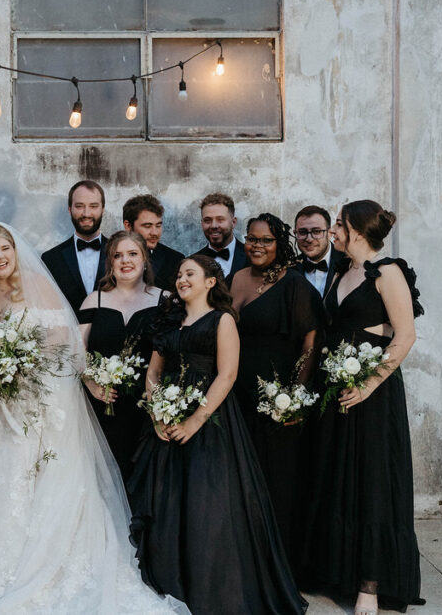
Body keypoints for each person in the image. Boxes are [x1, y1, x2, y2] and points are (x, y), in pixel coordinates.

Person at [0, 223, 188, 614]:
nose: (0, 255)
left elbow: (66, 339)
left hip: (31, 397)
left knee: (27, 476)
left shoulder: (37, 282)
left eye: (5, 248)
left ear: (14, 251)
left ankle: (26, 564)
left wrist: (21, 363)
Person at [127, 255, 306, 615]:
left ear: (211, 281)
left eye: (190, 274)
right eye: (178, 274)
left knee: (207, 505)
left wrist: (195, 420)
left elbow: (227, 374)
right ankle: (169, 581)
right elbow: (154, 371)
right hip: (166, 420)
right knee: (166, 503)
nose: (181, 279)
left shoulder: (222, 320)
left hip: (210, 422)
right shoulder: (169, 319)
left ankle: (210, 587)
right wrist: (157, 411)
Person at [299, 201, 425, 615]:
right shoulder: (341, 270)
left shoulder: (387, 272)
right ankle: (338, 573)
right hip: (336, 388)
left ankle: (370, 584)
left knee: (370, 481)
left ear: (355, 230)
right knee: (338, 477)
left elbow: (404, 336)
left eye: (338, 223)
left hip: (372, 394)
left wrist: (369, 384)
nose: (332, 230)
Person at [228, 213, 324, 561]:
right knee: (241, 481)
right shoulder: (236, 277)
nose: (256, 246)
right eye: (251, 239)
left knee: (278, 482)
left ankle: (280, 562)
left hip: (276, 398)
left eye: (265, 240)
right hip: (237, 395)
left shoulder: (293, 283)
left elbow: (311, 341)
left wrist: (294, 397)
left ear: (279, 244)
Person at [78, 230, 164, 480]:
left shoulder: (165, 300)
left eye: (132, 254)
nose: (125, 261)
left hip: (147, 409)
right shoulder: (94, 300)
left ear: (145, 259)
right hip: (104, 405)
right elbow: (77, 351)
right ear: (110, 262)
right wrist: (92, 384)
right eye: (118, 255)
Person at [42, 179, 107, 312]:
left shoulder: (120, 253)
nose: (86, 213)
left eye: (93, 206)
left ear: (103, 210)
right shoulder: (50, 259)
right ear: (70, 209)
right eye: (79, 206)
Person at [122, 194, 184, 292]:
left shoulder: (175, 260)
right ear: (128, 226)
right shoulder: (111, 257)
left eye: (158, 226)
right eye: (147, 226)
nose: (155, 233)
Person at [191, 192, 248, 282]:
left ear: (233, 222)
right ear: (202, 224)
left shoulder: (250, 256)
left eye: (220, 220)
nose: (214, 226)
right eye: (207, 220)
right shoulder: (192, 262)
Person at [293, 205, 347, 297]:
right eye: (302, 232)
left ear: (329, 233)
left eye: (316, 231)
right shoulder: (290, 268)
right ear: (295, 234)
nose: (309, 239)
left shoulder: (348, 263)